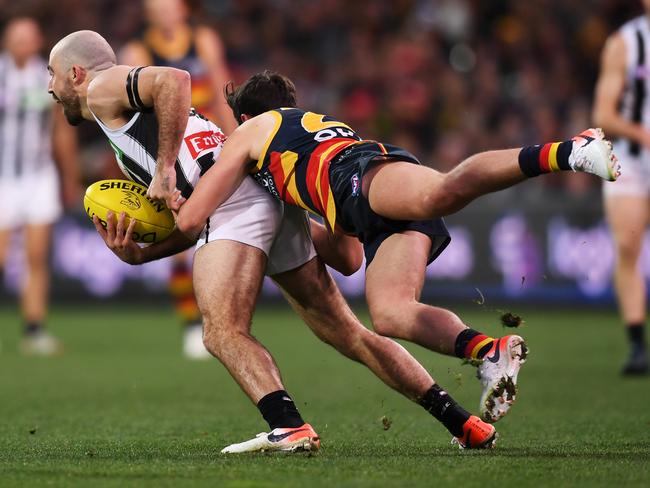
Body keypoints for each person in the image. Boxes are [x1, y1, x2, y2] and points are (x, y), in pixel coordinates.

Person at [48, 30, 510, 453]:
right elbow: (191, 222)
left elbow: (173, 79)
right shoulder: (126, 112)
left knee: (222, 330)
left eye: (53, 73)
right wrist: (143, 254)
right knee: (350, 334)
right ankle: (463, 422)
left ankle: (289, 426)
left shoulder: (100, 86)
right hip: (258, 196)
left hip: (231, 203)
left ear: (76, 72)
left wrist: (165, 167)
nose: (50, 87)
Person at [175, 71, 620, 423]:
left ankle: (568, 151)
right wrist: (293, 230)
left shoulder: (256, 131)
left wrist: (173, 199)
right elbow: (349, 260)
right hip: (362, 211)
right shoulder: (295, 138)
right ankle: (489, 353)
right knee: (390, 313)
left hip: (362, 177)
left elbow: (194, 218)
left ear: (244, 118)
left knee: (441, 192)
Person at [119, 0, 237, 359]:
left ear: (182, 9)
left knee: (223, 234)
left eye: (169, 6)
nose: (165, 13)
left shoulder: (203, 40)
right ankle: (191, 323)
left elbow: (221, 92)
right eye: (157, 8)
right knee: (180, 238)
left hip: (209, 144)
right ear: (148, 15)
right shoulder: (138, 50)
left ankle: (223, 319)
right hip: (171, 154)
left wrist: (238, 142)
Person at [0, 17, 80, 356]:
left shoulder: (46, 79)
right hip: (3, 177)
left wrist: (70, 178)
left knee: (36, 256)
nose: (22, 43)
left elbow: (61, 131)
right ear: (6, 41)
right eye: (16, 37)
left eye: (28, 38)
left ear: (37, 43)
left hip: (39, 176)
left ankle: (34, 328)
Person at [593, 3, 650, 375]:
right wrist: (643, 134)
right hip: (632, 160)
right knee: (628, 246)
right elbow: (603, 115)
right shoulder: (626, 43)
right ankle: (637, 344)